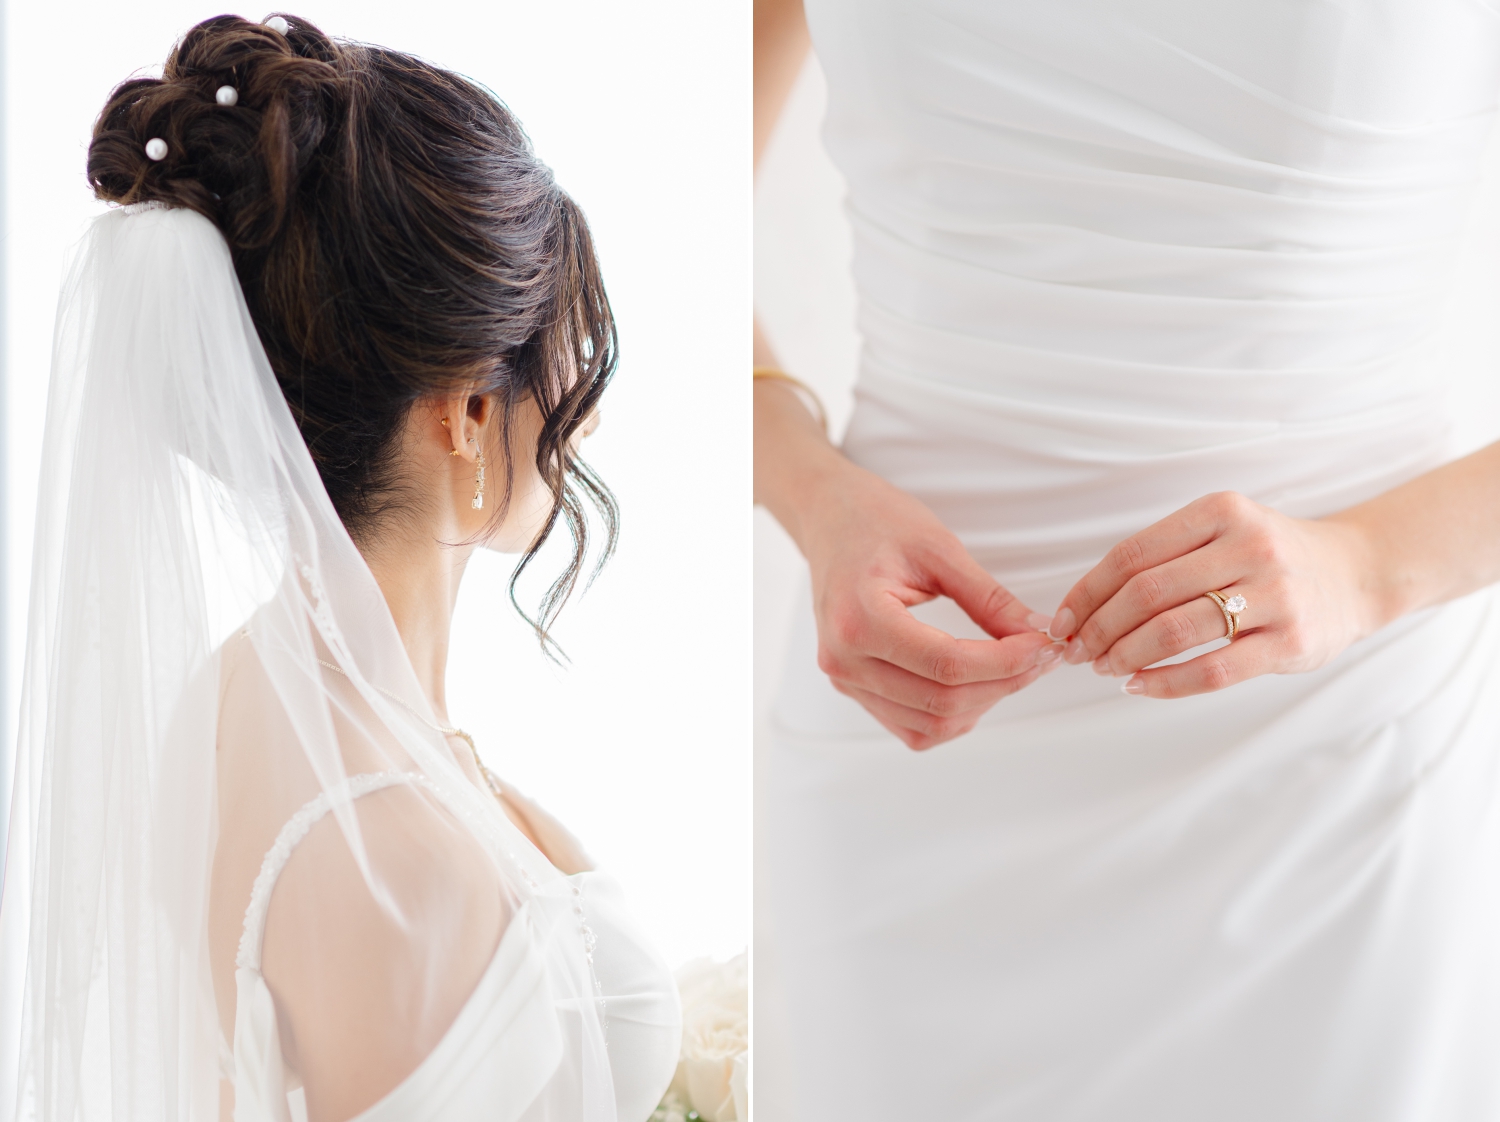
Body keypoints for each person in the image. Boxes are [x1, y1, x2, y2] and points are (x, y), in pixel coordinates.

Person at [756, 0, 1500, 1117]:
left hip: (1329, 750)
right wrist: (813, 495)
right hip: (911, 743)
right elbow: (642, 209)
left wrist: (1364, 563)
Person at [0, 14, 679, 1122]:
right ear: (465, 411)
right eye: (565, 354)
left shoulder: (232, 693)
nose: (582, 422)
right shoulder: (395, 864)